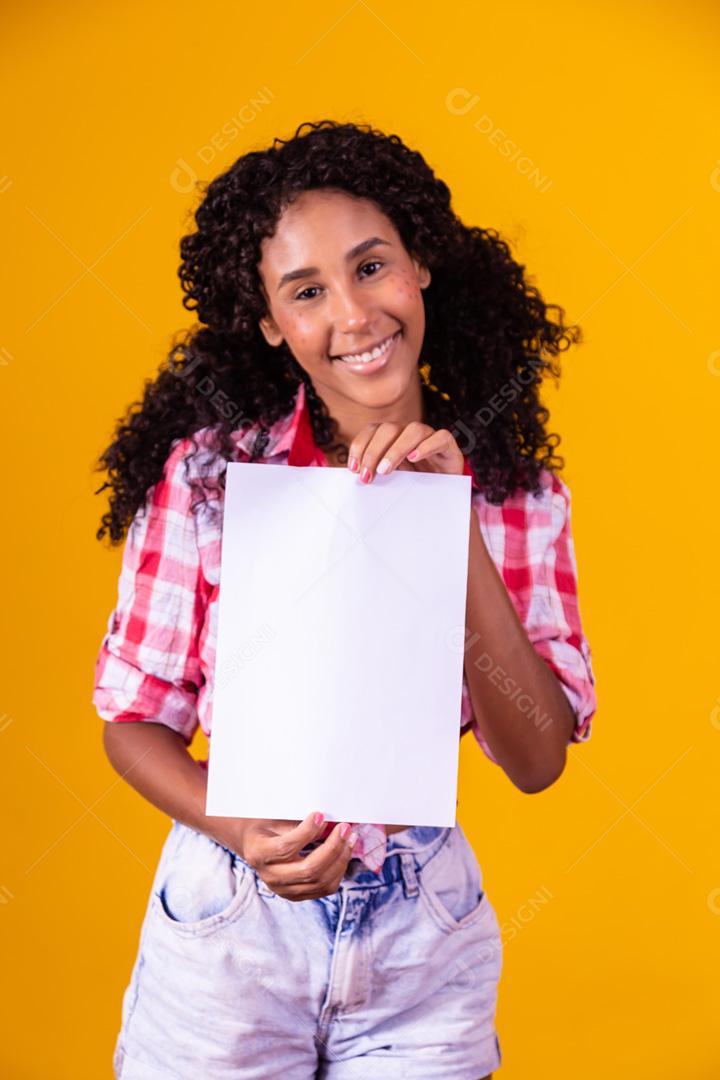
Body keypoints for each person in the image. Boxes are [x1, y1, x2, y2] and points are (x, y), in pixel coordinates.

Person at [92, 119, 597, 1079]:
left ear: (421, 267)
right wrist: (240, 830)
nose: (354, 315)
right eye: (307, 291)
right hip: (231, 924)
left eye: (372, 268)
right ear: (270, 323)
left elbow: (537, 761)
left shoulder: (518, 497)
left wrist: (454, 525)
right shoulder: (207, 478)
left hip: (422, 936)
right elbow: (133, 723)